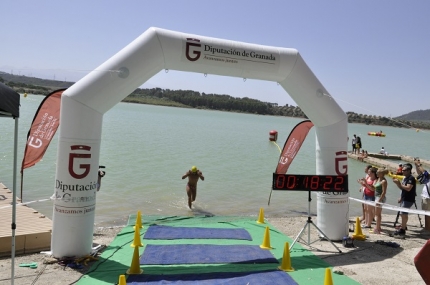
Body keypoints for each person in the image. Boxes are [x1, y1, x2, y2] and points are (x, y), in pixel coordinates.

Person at [392, 163, 416, 238]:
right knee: (404, 214)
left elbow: (408, 188)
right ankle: (404, 226)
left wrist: (399, 183)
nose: (403, 171)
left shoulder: (411, 178)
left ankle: (402, 229)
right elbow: (402, 188)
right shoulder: (404, 178)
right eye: (402, 170)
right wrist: (398, 185)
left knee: (403, 214)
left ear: (409, 171)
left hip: (409, 199)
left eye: (404, 170)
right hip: (404, 198)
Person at [414, 158, 430, 231]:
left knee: (427, 213)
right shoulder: (427, 178)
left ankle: (427, 228)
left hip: (427, 197)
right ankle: (427, 228)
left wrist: (418, 164)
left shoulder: (428, 177)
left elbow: (424, 173)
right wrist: (416, 165)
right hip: (426, 196)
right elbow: (421, 174)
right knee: (427, 214)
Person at [372, 168, 388, 234]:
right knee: (377, 213)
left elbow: (384, 192)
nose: (376, 174)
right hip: (376, 196)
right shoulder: (378, 179)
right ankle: (378, 226)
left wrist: (379, 200)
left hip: (380, 198)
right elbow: (374, 187)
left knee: (377, 214)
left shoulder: (384, 181)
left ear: (382, 174)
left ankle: (377, 228)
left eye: (378, 173)